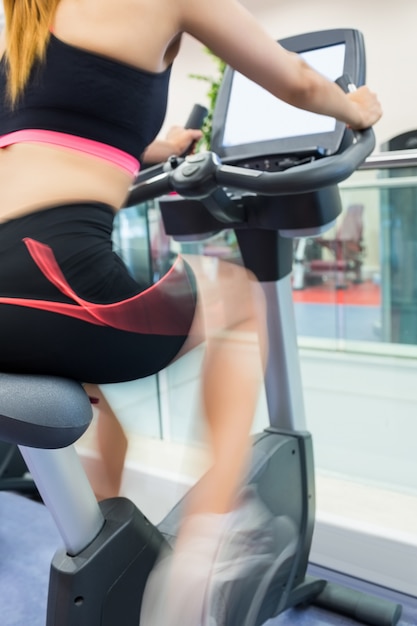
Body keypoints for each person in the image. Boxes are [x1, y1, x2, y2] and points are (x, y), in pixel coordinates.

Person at [0, 1, 381, 624]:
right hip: (54, 274)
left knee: (104, 417)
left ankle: (113, 566)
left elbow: (61, 127)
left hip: (13, 291)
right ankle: (212, 547)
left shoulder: (27, 30)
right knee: (236, 300)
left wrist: (156, 148)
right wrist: (356, 109)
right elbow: (298, 81)